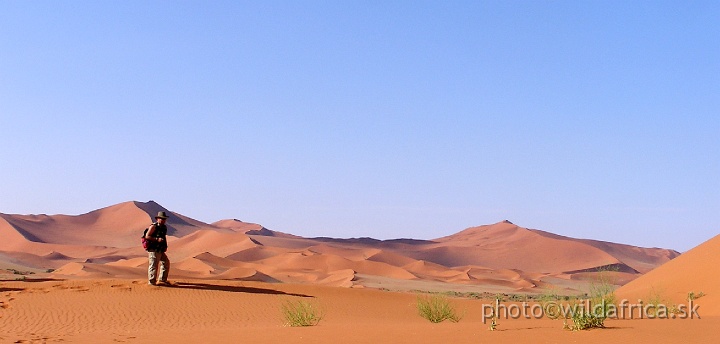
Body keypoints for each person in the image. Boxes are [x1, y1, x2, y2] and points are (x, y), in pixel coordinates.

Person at [145, 211, 170, 286]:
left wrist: (165, 246)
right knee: (153, 265)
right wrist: (156, 239)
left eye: (164, 219)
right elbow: (147, 236)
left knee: (166, 263)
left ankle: (162, 279)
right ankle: (151, 282)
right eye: (161, 218)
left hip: (160, 249)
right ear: (157, 219)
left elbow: (164, 237)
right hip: (153, 249)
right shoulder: (153, 226)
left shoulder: (164, 227)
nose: (163, 220)